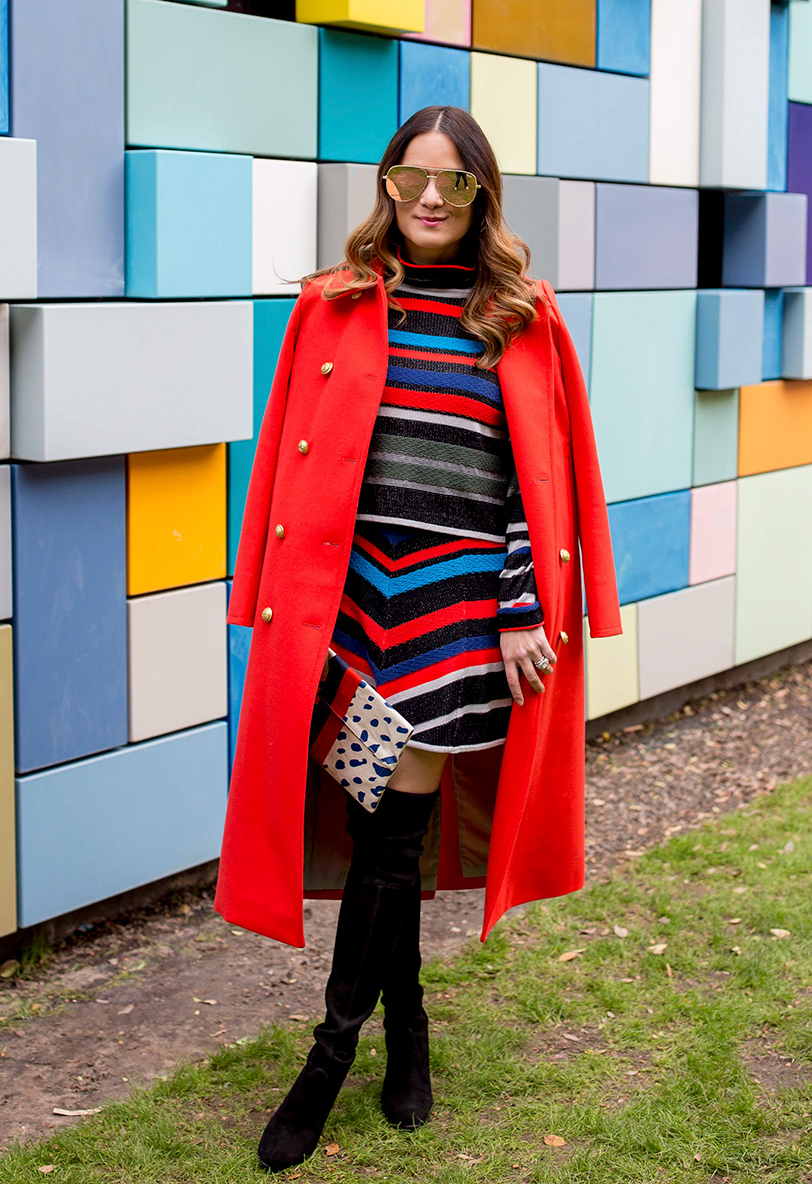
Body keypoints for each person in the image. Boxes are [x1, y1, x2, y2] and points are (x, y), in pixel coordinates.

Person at [216, 106, 620, 1171]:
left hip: (457, 619)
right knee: (374, 837)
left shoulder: (521, 316)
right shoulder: (334, 306)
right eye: (411, 178)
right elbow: (287, 465)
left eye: (454, 183)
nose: (430, 198)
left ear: (483, 197)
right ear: (387, 186)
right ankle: (411, 1033)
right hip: (353, 613)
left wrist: (524, 603)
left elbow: (547, 478)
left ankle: (328, 1058)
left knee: (393, 838)